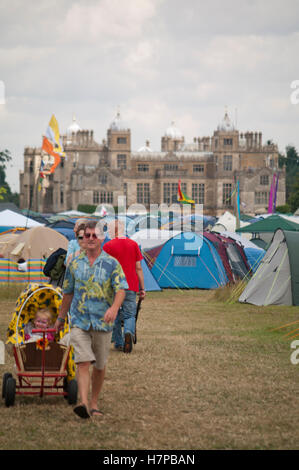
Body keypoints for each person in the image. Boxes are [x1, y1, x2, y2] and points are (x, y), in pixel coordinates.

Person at [55, 220, 128, 419]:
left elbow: (121, 288)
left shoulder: (112, 263)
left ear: (102, 238)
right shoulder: (74, 264)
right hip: (79, 321)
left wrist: (114, 308)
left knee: (100, 365)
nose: (90, 239)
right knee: (83, 362)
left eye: (94, 235)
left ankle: (94, 402)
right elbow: (68, 293)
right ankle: (83, 403)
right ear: (82, 238)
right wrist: (61, 318)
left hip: (102, 323)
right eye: (86, 235)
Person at [103, 220, 146, 354]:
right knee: (129, 314)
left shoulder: (108, 246)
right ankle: (128, 331)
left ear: (114, 230)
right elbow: (138, 268)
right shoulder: (133, 245)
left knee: (114, 313)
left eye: (109, 230)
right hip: (131, 285)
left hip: (113, 286)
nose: (108, 232)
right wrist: (142, 288)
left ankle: (119, 342)